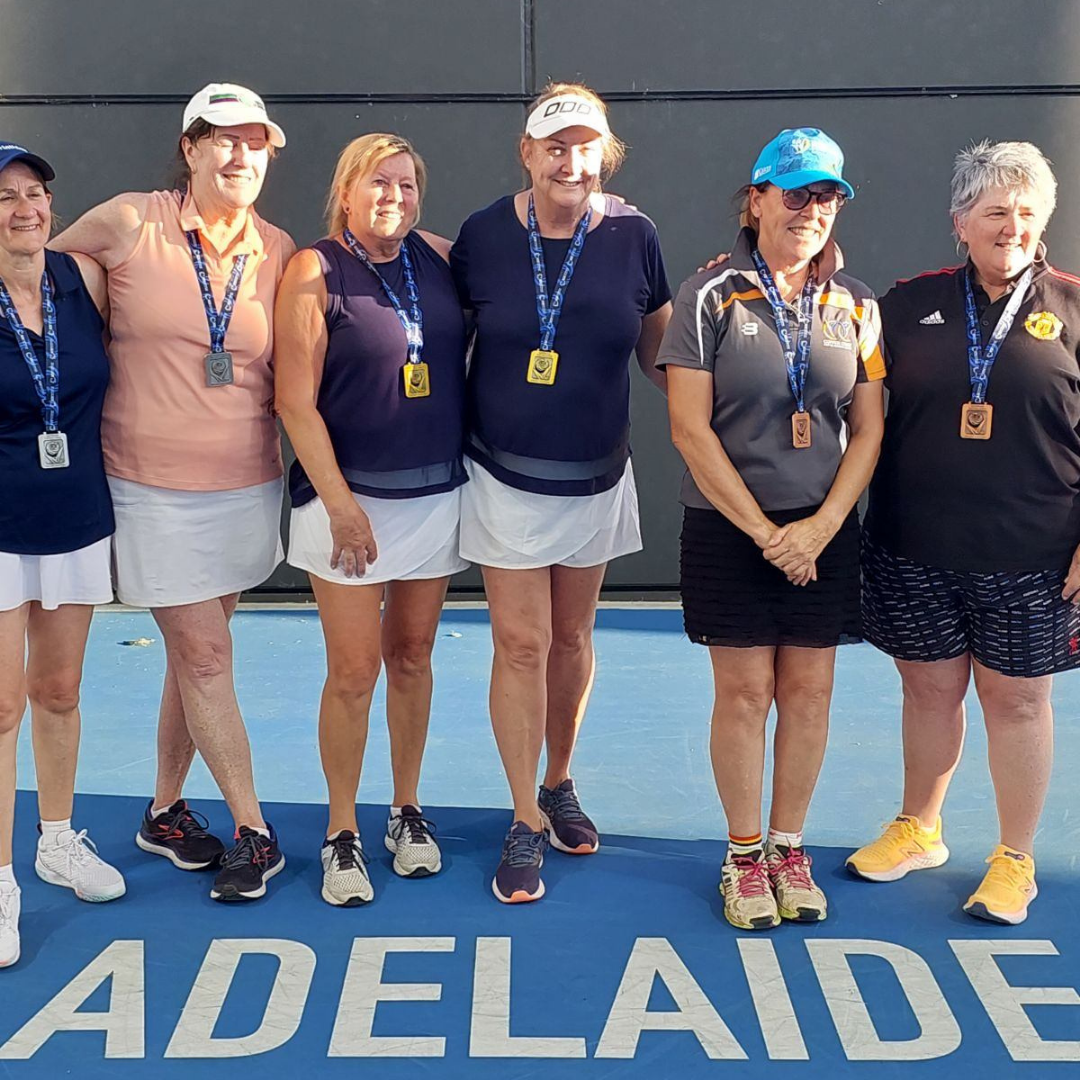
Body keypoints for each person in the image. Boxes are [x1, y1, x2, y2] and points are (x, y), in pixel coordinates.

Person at [50, 84, 295, 902]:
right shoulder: (129, 220)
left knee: (196, 660)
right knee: (205, 655)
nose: (239, 156)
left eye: (253, 143)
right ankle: (255, 831)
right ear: (189, 149)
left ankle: (163, 811)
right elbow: (34, 277)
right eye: (222, 140)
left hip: (247, 484)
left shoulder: (277, 248)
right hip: (149, 490)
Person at [451, 82, 672, 904]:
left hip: (598, 474)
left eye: (584, 148)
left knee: (573, 639)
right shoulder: (481, 235)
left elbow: (664, 355)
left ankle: (557, 781)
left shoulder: (635, 235)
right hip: (503, 474)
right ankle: (522, 817)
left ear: (604, 155)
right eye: (554, 146)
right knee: (522, 644)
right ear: (527, 153)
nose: (569, 162)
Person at [658, 128, 885, 930]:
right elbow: (689, 429)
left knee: (810, 692)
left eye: (826, 197)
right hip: (731, 529)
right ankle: (744, 854)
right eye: (795, 193)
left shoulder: (857, 303)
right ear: (755, 201)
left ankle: (789, 848)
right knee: (746, 692)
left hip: (823, 533)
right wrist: (765, 533)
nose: (811, 211)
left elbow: (868, 429)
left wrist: (821, 527)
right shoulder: (707, 295)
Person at [847, 140, 1078, 925]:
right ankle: (920, 828)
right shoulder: (907, 305)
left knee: (1018, 705)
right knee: (927, 691)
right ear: (960, 223)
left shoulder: (1074, 308)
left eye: (1026, 212)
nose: (1012, 226)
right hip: (914, 545)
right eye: (994, 211)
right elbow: (836, 360)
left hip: (1033, 555)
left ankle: (1015, 859)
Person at [275, 133, 467, 906]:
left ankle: (406, 810)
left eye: (407, 184)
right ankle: (342, 830)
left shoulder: (442, 258)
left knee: (413, 657)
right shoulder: (313, 270)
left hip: (433, 496)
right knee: (354, 672)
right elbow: (295, 401)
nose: (394, 196)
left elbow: (537, 272)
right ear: (346, 191)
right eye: (378, 183)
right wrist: (343, 508)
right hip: (345, 505)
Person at [0, 143, 126, 967]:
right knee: (0, 706)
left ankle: (55, 838)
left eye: (36, 193)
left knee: (59, 690)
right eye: (5, 197)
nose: (25, 209)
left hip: (77, 514)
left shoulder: (80, 281)